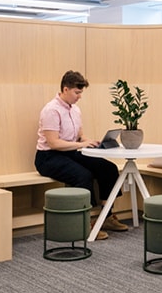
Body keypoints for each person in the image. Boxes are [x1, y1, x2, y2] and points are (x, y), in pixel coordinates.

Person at [35, 70, 128, 240]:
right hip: (48, 157)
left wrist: (90, 141)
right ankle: (83, 225)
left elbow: (79, 136)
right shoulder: (51, 110)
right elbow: (54, 143)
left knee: (108, 168)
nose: (79, 96)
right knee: (83, 175)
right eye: (77, 92)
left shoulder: (75, 110)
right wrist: (81, 144)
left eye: (81, 93)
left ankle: (105, 217)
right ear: (65, 89)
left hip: (69, 152)